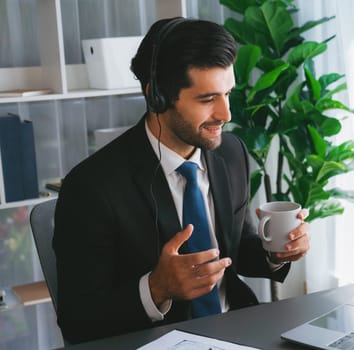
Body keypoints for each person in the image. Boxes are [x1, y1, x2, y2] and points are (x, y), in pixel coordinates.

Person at [53, 17, 310, 344]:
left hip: (238, 332)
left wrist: (278, 250)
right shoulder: (91, 187)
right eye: (207, 99)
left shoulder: (231, 153)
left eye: (228, 93)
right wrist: (156, 288)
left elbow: (237, 250)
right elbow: (78, 321)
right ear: (157, 96)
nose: (226, 114)